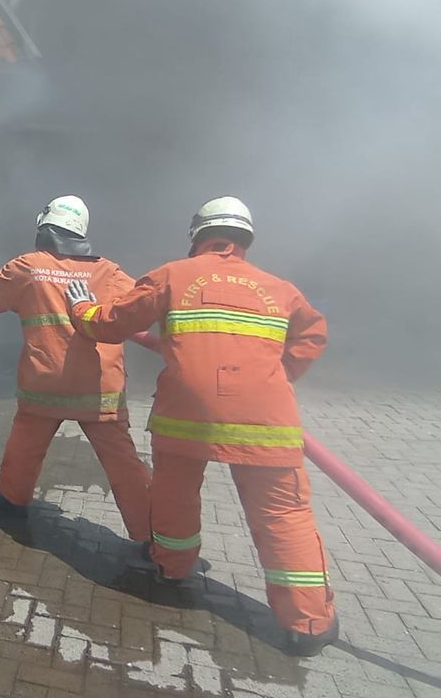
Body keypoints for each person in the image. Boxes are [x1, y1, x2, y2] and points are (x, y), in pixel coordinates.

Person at [64, 196, 338, 657]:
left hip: (185, 416)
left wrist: (82, 310)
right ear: (245, 237)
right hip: (265, 420)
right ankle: (307, 625)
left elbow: (114, 322)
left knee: (174, 494)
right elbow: (313, 334)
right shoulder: (280, 289)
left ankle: (171, 570)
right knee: (283, 516)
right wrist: (276, 375)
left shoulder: (173, 274)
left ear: (198, 234)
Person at [0, 195, 151, 544]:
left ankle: (12, 501)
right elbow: (143, 305)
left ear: (45, 226)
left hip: (45, 383)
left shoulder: (28, 267)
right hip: (99, 389)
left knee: (25, 444)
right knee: (124, 463)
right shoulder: (109, 272)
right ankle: (153, 535)